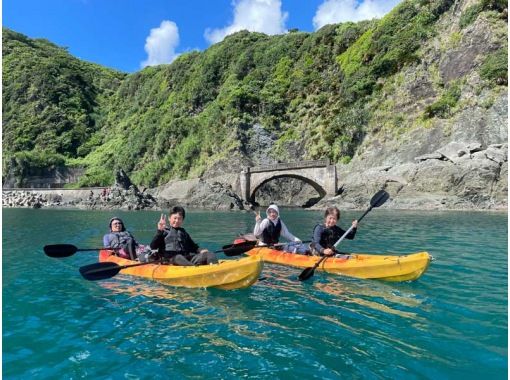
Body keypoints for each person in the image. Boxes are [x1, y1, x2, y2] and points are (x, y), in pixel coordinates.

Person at [149, 206, 218, 266]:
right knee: (179, 257)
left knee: (209, 254)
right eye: (175, 218)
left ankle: (214, 269)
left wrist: (201, 250)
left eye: (179, 218)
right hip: (170, 260)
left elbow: (194, 247)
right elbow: (153, 246)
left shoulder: (183, 233)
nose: (177, 221)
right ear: (169, 218)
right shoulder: (163, 232)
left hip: (186, 259)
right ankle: (194, 269)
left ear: (182, 220)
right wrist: (160, 231)